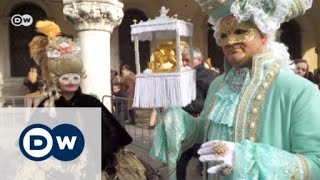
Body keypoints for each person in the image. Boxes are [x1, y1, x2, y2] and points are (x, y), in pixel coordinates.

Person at [150, 0, 320, 179]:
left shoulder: (301, 91)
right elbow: (207, 130)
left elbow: (315, 163)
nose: (230, 41)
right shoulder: (218, 84)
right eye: (223, 35)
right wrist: (176, 119)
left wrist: (250, 159)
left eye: (240, 31)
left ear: (264, 35)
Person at [28, 20, 133, 178]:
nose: (71, 81)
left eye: (75, 76)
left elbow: (115, 135)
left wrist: (94, 158)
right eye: (65, 77)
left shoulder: (91, 103)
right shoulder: (46, 106)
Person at [177, 47, 219, 180]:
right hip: (185, 125)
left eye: (187, 60)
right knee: (180, 161)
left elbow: (212, 102)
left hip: (202, 125)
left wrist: (190, 106)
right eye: (183, 60)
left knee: (204, 163)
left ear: (199, 60)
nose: (184, 63)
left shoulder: (211, 77)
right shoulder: (183, 76)